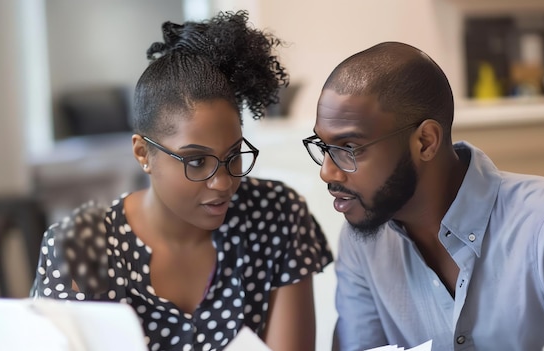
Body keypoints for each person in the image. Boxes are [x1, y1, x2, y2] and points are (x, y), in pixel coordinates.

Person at [31, 10, 333, 351]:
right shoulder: (82, 248)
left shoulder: (276, 215)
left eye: (233, 155)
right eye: (196, 160)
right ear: (143, 153)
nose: (222, 182)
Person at [302, 41, 544, 351]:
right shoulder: (362, 242)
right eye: (324, 147)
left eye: (348, 149)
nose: (328, 172)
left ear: (426, 142)